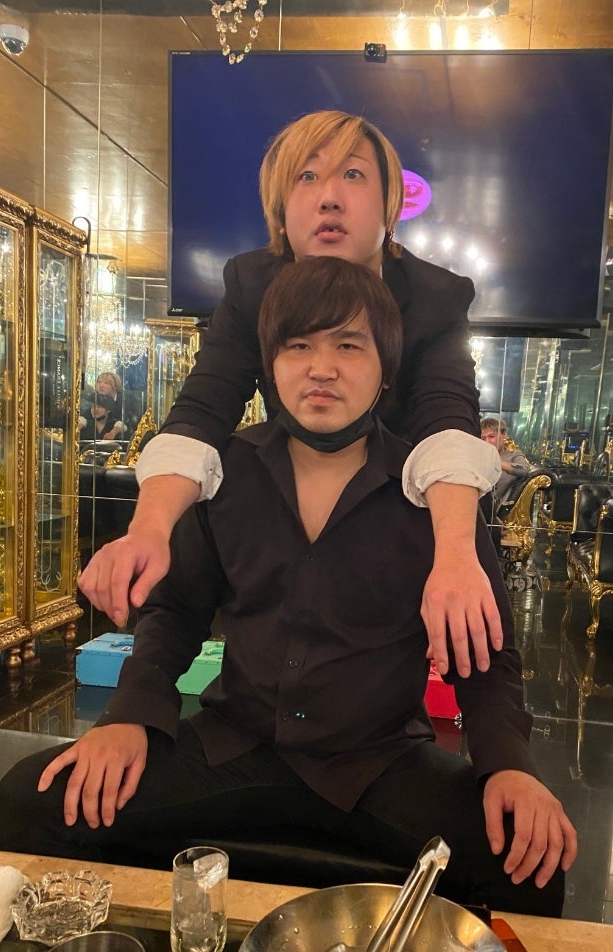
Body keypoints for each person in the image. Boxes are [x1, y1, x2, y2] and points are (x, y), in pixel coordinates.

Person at [0, 258, 576, 915]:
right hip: (236, 744)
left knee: (530, 863)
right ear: (270, 365)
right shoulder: (228, 473)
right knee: (35, 799)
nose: (321, 368)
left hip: (378, 761)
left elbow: (488, 654)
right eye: (298, 346)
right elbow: (176, 614)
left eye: (348, 346)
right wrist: (129, 717)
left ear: (386, 369)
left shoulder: (436, 495)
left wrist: (509, 766)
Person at [77, 110, 502, 681]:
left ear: (390, 204)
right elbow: (203, 410)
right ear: (280, 208)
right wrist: (148, 529)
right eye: (306, 176)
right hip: (292, 502)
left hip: (403, 511)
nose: (329, 197)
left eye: (353, 175)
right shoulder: (251, 284)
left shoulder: (435, 297)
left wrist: (453, 556)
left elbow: (446, 421)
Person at [480, 417, 532, 510]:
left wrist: (497, 463)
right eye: (483, 438)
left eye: (491, 437)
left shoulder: (513, 455)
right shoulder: (477, 456)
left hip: (497, 509)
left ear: (504, 435)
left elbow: (525, 470)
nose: (487, 442)